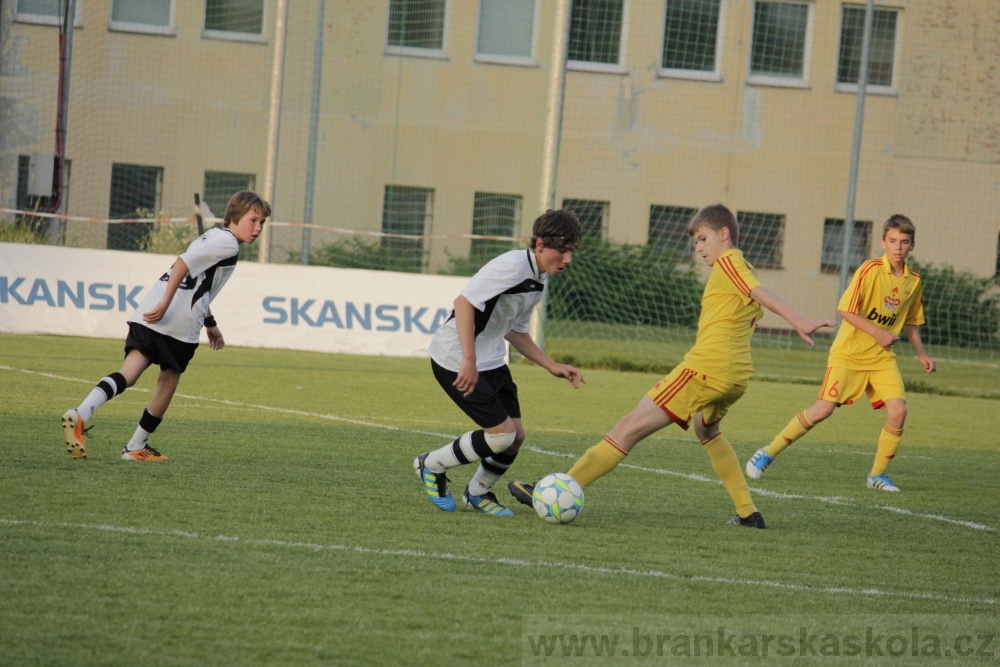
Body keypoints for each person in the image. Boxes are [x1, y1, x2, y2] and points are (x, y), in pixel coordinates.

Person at [508, 203, 835, 528]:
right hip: (736, 377)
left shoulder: (730, 263)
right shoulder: (743, 267)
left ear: (724, 234)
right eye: (696, 242)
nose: (699, 248)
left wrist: (798, 320)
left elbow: (760, 292)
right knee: (706, 429)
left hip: (705, 369)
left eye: (703, 239)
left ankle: (559, 487)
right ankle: (748, 512)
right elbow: (748, 308)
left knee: (628, 428)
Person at [61, 190, 271, 461]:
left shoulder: (213, 238)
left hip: (149, 313)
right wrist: (167, 304)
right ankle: (136, 446)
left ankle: (80, 413)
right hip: (177, 323)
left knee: (128, 374)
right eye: (253, 220)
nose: (257, 228)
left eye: (262, 223)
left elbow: (197, 283)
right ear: (234, 216)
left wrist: (209, 322)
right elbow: (183, 264)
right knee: (168, 383)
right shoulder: (228, 244)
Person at [414, 209, 586, 516]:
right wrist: (468, 360)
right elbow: (463, 304)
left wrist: (551, 365)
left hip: (490, 360)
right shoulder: (511, 266)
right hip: (455, 358)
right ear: (540, 245)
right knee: (501, 434)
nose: (567, 260)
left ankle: (477, 493)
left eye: (571, 252)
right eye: (561, 251)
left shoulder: (539, 281)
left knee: (516, 437)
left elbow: (514, 330)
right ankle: (431, 465)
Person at [746, 214, 936, 492]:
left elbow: (910, 321)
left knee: (898, 412)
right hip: (848, 354)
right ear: (883, 242)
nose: (898, 247)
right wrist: (878, 333)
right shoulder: (869, 270)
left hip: (881, 359)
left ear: (912, 246)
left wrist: (921, 353)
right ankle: (767, 452)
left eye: (904, 242)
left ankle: (877, 476)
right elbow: (844, 309)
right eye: (893, 241)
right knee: (822, 410)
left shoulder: (914, 281)